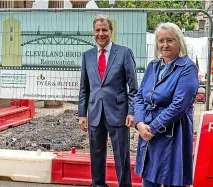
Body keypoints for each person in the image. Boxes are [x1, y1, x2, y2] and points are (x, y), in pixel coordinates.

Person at [133, 22, 199, 187]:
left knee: (172, 179)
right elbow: (140, 96)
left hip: (174, 133)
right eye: (161, 41)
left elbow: (179, 105)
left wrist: (153, 128)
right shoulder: (153, 66)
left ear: (179, 42)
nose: (165, 45)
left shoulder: (187, 67)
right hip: (147, 130)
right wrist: (140, 123)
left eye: (170, 40)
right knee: (148, 179)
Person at [78, 15, 138, 187]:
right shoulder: (87, 56)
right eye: (97, 30)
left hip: (118, 113)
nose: (101, 33)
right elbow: (84, 88)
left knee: (121, 155)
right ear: (93, 32)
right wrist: (82, 114)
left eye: (104, 30)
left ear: (111, 31)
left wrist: (131, 112)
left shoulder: (124, 53)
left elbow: (133, 88)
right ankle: (98, 184)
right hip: (95, 112)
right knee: (96, 155)